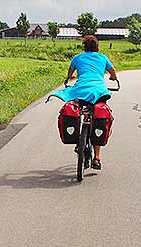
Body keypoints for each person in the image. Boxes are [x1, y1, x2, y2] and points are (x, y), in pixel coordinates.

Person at [49, 35, 118, 169]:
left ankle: (79, 140)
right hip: (99, 92)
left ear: (84, 47)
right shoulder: (103, 58)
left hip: (80, 91)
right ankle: (97, 158)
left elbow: (70, 74)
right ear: (97, 47)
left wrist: (71, 77)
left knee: (77, 110)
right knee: (99, 118)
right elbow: (113, 72)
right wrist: (113, 78)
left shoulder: (78, 57)